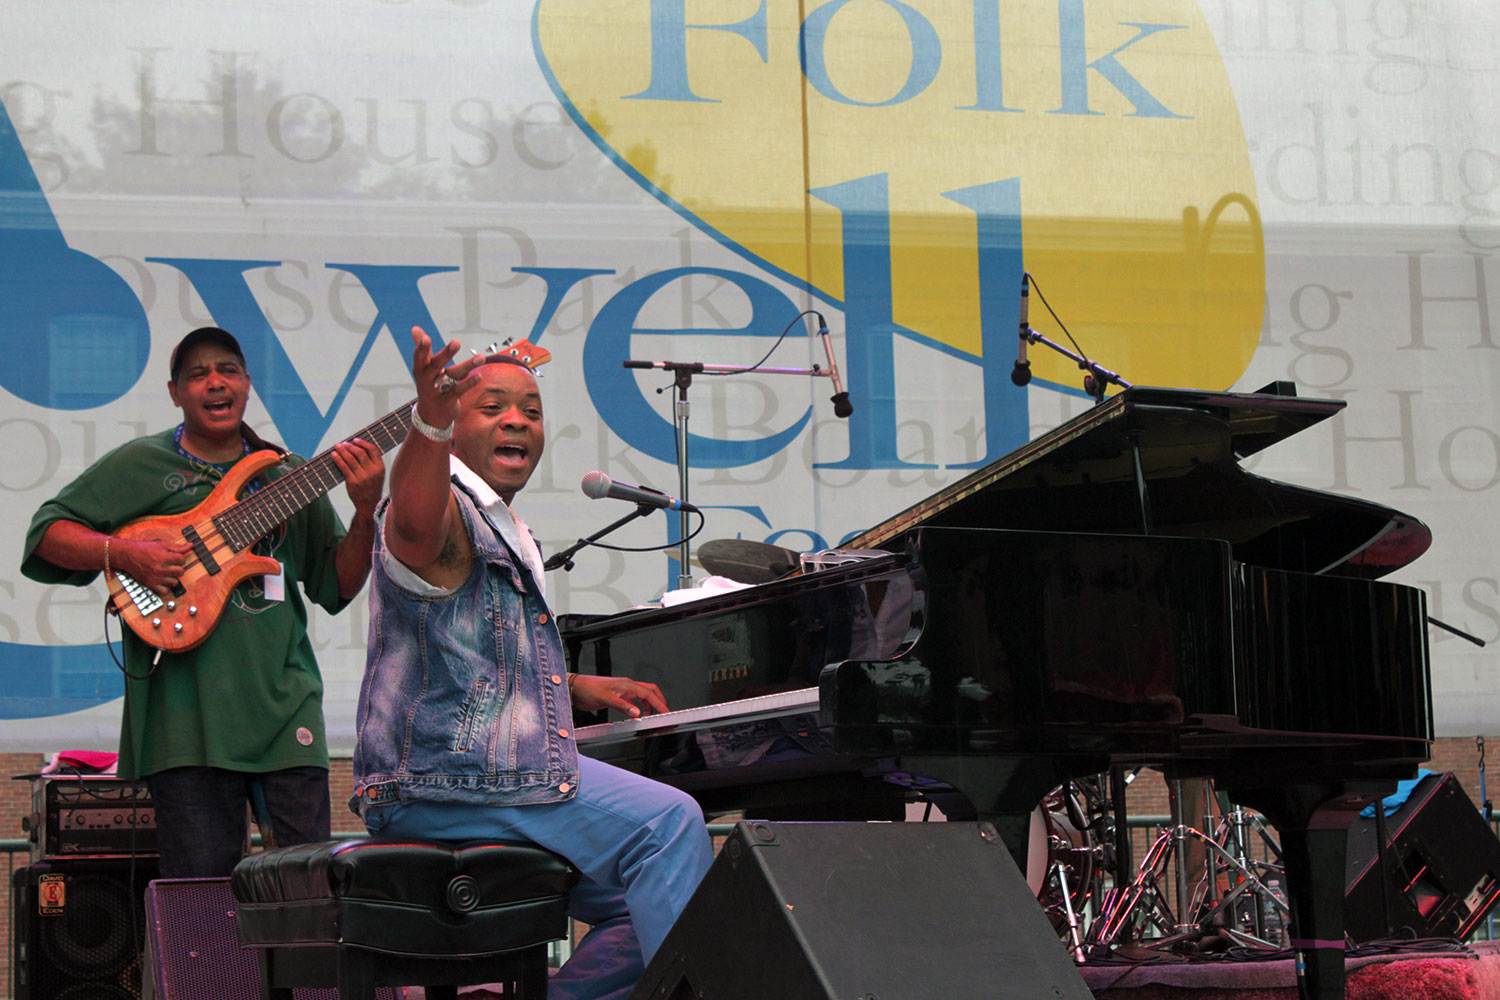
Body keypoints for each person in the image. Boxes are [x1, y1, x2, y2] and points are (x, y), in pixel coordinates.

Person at [351, 326, 712, 1000]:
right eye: (492, 407)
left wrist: (575, 684)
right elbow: (411, 525)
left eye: (531, 410)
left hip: (481, 778)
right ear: (453, 427)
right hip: (450, 782)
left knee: (653, 899)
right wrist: (425, 422)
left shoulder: (503, 525)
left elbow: (467, 659)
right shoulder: (443, 510)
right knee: (670, 827)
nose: (516, 419)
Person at [22, 326, 386, 878]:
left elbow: (337, 586)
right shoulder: (139, 465)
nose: (215, 383)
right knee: (204, 910)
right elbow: (46, 534)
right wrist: (126, 554)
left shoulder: (284, 473)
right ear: (175, 392)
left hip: (286, 714)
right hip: (185, 725)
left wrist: (364, 513)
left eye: (228, 370)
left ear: (246, 384)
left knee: (310, 894)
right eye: (197, 374)